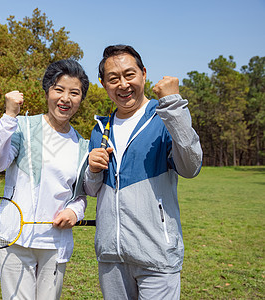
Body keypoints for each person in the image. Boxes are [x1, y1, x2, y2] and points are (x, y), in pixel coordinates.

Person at [84, 45, 203, 299]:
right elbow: (92, 190)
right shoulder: (100, 129)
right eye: (113, 78)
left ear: (144, 74)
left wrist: (172, 105)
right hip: (111, 257)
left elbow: (191, 167)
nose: (123, 84)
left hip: (157, 256)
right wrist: (92, 169)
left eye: (130, 74)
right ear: (103, 84)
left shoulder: (165, 119)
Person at [0, 59, 90, 300]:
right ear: (47, 92)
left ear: (80, 100)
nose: (66, 98)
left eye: (74, 93)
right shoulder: (22, 127)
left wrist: (75, 213)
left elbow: (79, 194)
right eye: (59, 89)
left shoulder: (82, 145)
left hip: (55, 244)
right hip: (14, 238)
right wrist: (9, 116)